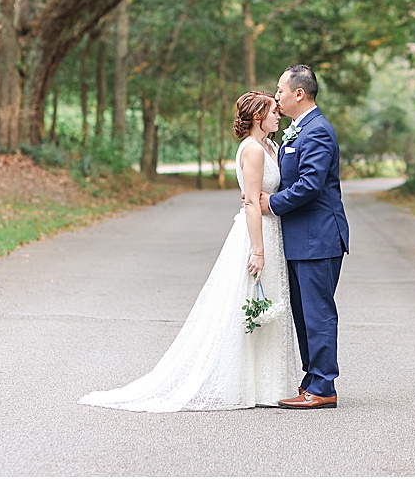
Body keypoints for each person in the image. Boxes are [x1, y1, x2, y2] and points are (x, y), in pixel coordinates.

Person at [79, 91, 301, 412]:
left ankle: (269, 386)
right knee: (253, 304)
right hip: (257, 233)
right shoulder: (252, 150)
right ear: (258, 117)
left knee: (270, 304)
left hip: (273, 229)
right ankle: (245, 385)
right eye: (272, 112)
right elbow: (252, 201)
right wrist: (257, 250)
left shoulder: (271, 146)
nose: (278, 115)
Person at [258, 64, 349, 410]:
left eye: (280, 90)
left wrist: (271, 204)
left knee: (317, 313)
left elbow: (310, 185)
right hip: (299, 239)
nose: (276, 95)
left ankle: (324, 386)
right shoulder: (297, 131)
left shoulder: (318, 131)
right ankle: (311, 381)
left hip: (319, 238)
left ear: (299, 93)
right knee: (303, 313)